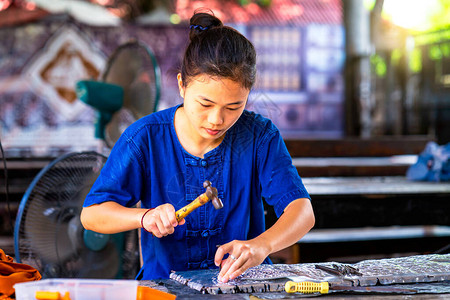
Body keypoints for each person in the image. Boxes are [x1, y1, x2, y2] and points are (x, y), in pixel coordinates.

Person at [80, 9, 315, 282]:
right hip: (165, 288)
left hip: (243, 286)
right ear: (182, 85)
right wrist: (144, 217)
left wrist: (262, 245)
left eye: (233, 106)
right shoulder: (144, 138)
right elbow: (92, 214)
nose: (217, 119)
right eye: (205, 104)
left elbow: (302, 211)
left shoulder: (259, 136)